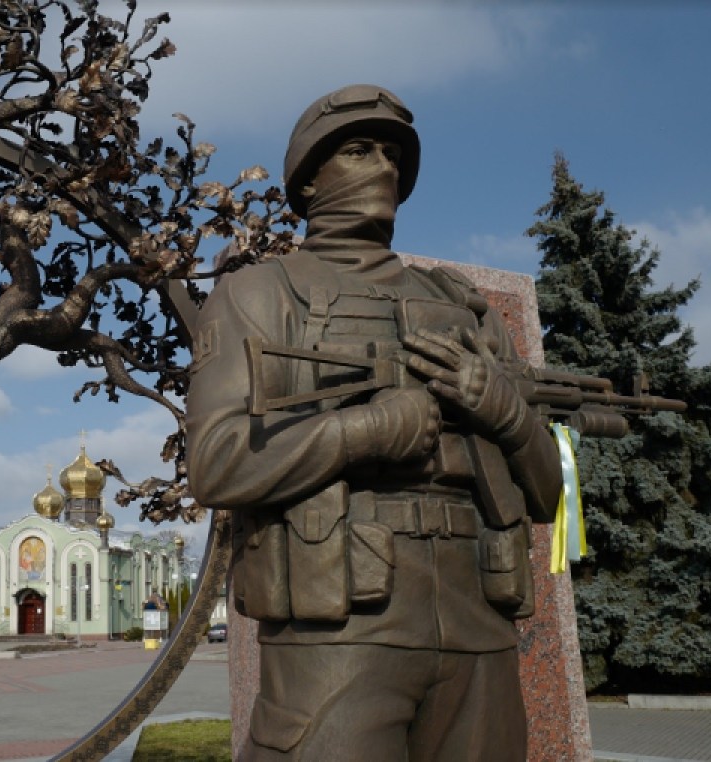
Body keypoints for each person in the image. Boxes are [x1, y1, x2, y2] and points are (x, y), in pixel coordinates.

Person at [186, 85, 563, 761]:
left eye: (392, 154)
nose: (384, 166)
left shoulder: (463, 309)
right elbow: (217, 462)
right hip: (340, 632)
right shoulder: (259, 295)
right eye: (359, 150)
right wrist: (368, 431)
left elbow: (546, 495)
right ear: (309, 178)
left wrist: (504, 412)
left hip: (479, 622)